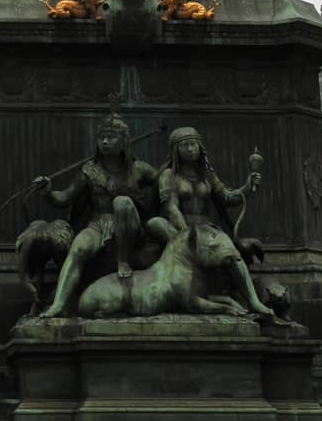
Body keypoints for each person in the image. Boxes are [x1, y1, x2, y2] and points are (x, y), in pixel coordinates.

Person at [32, 111, 158, 317]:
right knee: (79, 248)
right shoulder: (89, 171)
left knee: (122, 202)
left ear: (124, 140)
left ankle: (122, 259)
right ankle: (58, 304)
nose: (105, 141)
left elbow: (163, 182)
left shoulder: (139, 169)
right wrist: (48, 193)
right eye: (102, 137)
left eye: (111, 137)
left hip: (130, 226)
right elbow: (65, 197)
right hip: (99, 224)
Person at [154, 126, 271, 318]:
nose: (190, 149)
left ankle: (253, 300)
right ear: (176, 150)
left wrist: (248, 187)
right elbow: (171, 208)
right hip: (184, 230)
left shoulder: (206, 174)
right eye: (185, 146)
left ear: (200, 147)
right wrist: (186, 235)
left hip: (207, 229)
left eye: (193, 144)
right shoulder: (169, 176)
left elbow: (228, 197)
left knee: (233, 254)